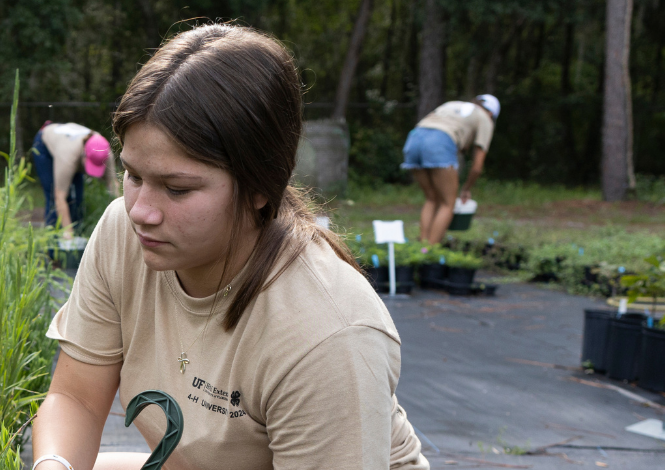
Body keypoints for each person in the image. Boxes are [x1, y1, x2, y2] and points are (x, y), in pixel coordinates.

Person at [31, 24, 428, 470]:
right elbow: (77, 399)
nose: (141, 210)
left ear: (261, 186)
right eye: (135, 176)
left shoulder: (327, 335)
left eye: (177, 188)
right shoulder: (124, 234)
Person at [403, 94, 498, 244]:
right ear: (491, 114)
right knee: (448, 203)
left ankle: (421, 246)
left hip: (414, 139)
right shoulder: (485, 119)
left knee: (431, 198)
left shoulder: (453, 105)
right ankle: (430, 251)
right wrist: (466, 188)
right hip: (439, 142)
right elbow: (477, 167)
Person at [32, 121, 115, 239]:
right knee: (54, 198)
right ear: (84, 155)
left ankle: (79, 233)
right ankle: (53, 245)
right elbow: (59, 196)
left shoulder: (103, 150)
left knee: (77, 199)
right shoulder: (67, 157)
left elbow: (112, 184)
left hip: (73, 149)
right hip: (45, 145)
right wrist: (69, 235)